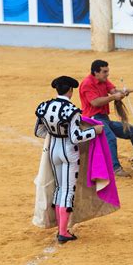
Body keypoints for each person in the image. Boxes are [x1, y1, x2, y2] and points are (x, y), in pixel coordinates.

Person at [35, 76, 103, 243]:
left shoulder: (45, 106)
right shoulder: (71, 110)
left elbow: (38, 132)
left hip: (53, 150)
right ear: (70, 91)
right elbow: (75, 137)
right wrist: (95, 131)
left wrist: (54, 135)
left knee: (59, 188)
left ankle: (61, 228)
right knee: (67, 191)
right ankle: (63, 232)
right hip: (68, 151)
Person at [79, 60, 133, 177]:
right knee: (110, 138)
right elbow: (95, 102)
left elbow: (113, 91)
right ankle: (115, 168)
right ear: (96, 72)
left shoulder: (103, 80)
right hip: (92, 120)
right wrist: (114, 97)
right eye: (104, 72)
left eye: (107, 71)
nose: (107, 74)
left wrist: (123, 92)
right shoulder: (87, 83)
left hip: (104, 119)